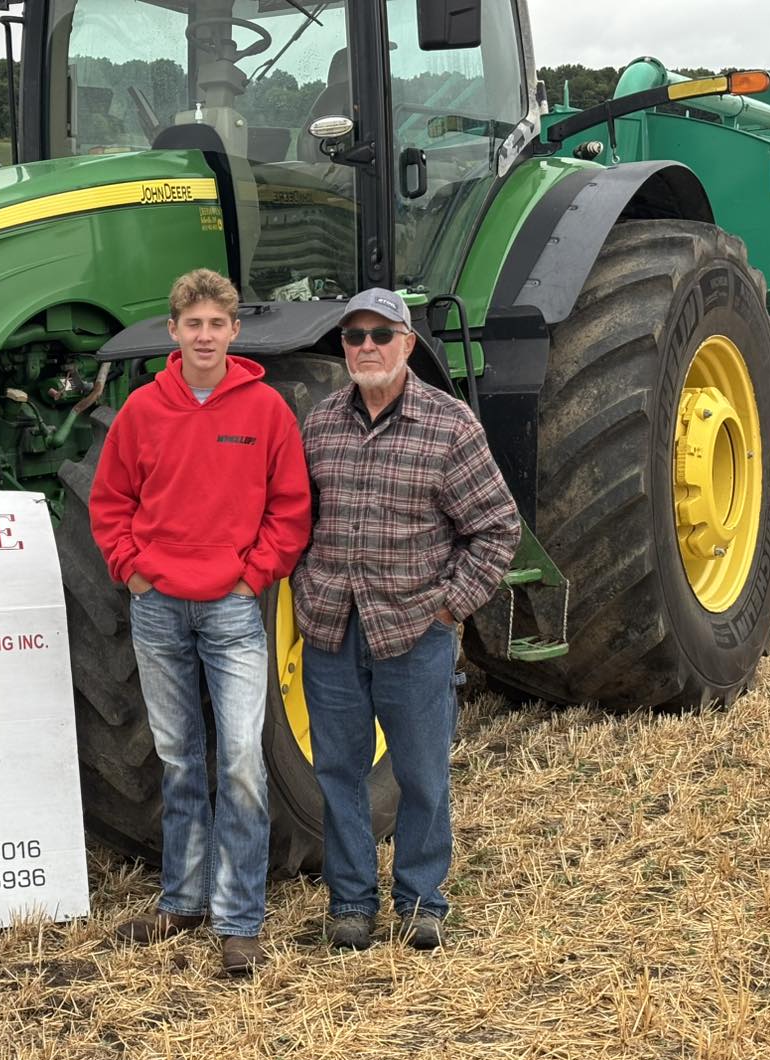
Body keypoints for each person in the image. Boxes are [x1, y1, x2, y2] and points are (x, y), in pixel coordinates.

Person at [89, 268, 311, 976]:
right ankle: (183, 901)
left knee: (242, 761)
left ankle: (239, 920)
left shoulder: (267, 410)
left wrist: (253, 576)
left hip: (232, 607)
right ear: (175, 331)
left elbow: (290, 507)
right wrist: (133, 568)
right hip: (157, 609)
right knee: (181, 759)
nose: (206, 336)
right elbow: (110, 500)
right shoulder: (142, 412)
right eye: (194, 325)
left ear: (234, 331)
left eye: (218, 324)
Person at [294, 287, 520, 952]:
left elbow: (496, 529)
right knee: (337, 770)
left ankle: (422, 901)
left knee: (422, 774)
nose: (366, 347)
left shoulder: (450, 426)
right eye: (354, 336)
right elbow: (297, 520)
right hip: (332, 628)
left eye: (380, 335)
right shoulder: (319, 425)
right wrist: (304, 584)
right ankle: (352, 902)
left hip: (414, 631)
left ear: (408, 344)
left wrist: (450, 605)